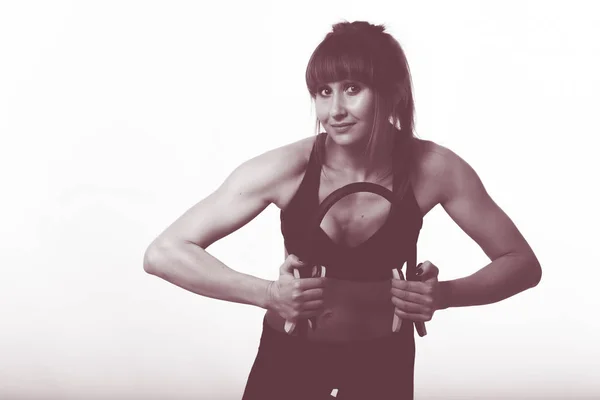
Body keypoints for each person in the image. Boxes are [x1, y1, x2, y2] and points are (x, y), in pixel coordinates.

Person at [143, 20, 542, 400]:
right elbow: (164, 253)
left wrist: (444, 294)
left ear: (394, 91)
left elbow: (522, 263)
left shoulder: (435, 169)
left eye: (352, 88)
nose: (334, 110)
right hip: (289, 360)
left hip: (383, 363)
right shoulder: (286, 168)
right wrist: (268, 294)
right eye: (323, 92)